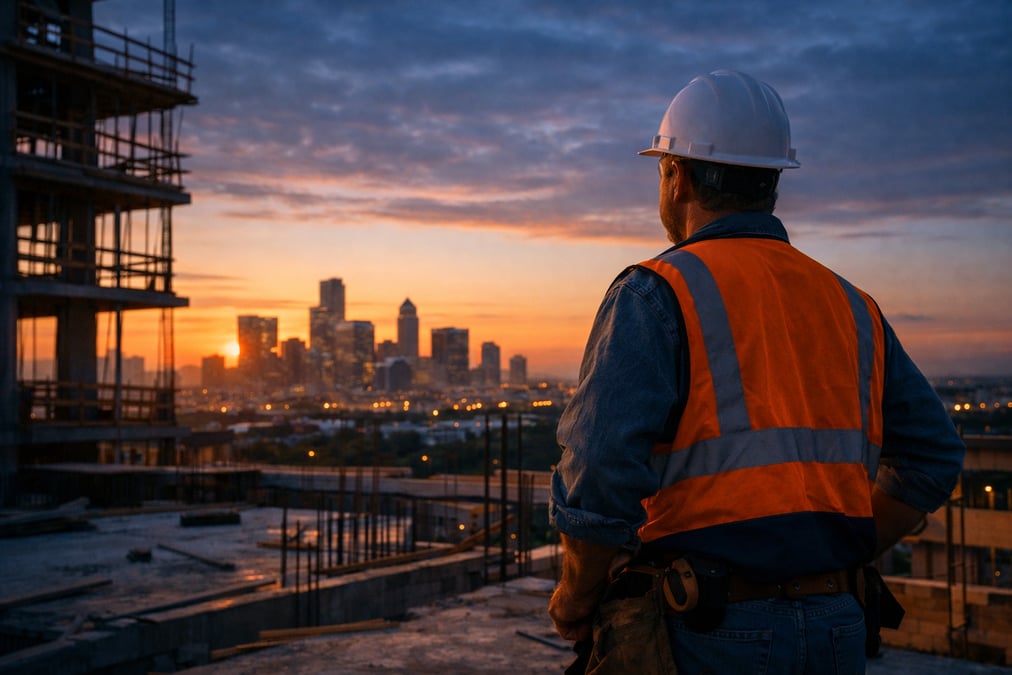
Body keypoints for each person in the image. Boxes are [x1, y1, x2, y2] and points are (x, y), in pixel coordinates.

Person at [547, 70, 966, 674]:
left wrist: (576, 595)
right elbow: (932, 456)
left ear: (676, 175)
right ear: (771, 182)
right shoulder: (851, 304)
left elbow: (598, 470)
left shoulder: (657, 293)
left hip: (707, 628)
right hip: (837, 624)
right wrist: (827, 555)